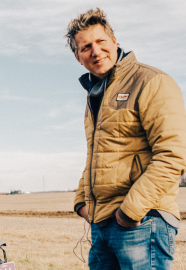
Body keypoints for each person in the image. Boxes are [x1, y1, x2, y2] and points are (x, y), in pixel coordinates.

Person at [66, 8, 186, 270]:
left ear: (114, 42)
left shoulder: (151, 82)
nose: (95, 51)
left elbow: (172, 155)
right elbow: (97, 156)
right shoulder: (96, 94)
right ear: (78, 58)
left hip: (143, 222)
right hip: (103, 225)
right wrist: (80, 202)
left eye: (100, 42)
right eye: (86, 47)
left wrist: (130, 212)